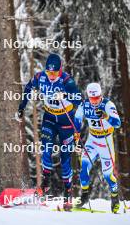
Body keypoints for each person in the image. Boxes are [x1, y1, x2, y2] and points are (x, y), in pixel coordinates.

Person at [17, 53, 81, 210]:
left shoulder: (67, 80)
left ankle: (68, 191)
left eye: (55, 73)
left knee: (65, 159)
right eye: (49, 72)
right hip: (50, 119)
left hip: (66, 121)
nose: (51, 76)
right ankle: (45, 183)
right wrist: (21, 107)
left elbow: (79, 100)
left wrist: (65, 94)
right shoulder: (40, 77)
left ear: (60, 71)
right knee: (46, 148)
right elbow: (28, 88)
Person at [74, 82, 121, 213]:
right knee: (83, 168)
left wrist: (106, 117)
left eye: (97, 98)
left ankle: (115, 198)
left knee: (107, 176)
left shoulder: (108, 105)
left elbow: (117, 123)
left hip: (106, 143)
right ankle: (84, 196)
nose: (94, 102)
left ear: (101, 95)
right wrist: (76, 136)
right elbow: (77, 119)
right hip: (92, 140)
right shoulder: (85, 105)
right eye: (91, 99)